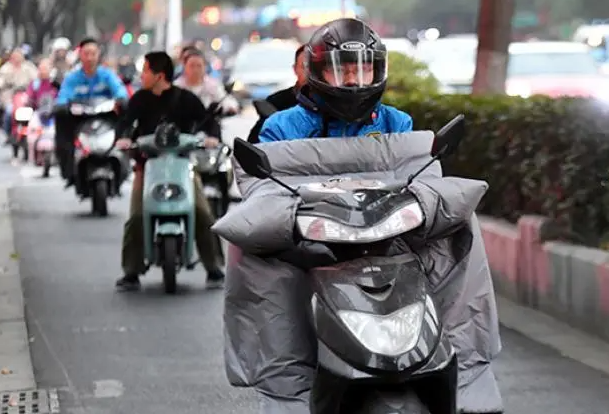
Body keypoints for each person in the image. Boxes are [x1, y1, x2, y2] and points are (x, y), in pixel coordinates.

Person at [113, 51, 225, 291]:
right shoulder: (139, 99)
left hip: (183, 165)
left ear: (159, 75)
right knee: (136, 216)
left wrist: (212, 138)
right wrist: (123, 138)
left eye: (145, 70)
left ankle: (214, 267)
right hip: (148, 165)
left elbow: (208, 121)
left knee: (202, 212)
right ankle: (131, 272)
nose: (141, 75)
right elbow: (125, 123)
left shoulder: (185, 99)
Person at [259, 19, 412, 143]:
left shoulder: (395, 123)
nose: (351, 80)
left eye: (363, 70)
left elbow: (414, 175)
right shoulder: (282, 128)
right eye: (338, 70)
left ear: (376, 72)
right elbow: (266, 180)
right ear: (317, 72)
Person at [54, 37, 128, 187]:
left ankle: (125, 157)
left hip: (106, 117)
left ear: (98, 54)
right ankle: (68, 167)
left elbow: (120, 91)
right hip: (79, 118)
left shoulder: (107, 75)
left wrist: (120, 99)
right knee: (61, 120)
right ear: (80, 55)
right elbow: (63, 96)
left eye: (93, 54)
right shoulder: (72, 78)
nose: (89, 58)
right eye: (86, 54)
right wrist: (62, 106)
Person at [247, 44, 306, 143]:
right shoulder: (275, 104)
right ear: (295, 69)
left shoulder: (332, 104)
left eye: (315, 67)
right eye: (304, 67)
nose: (310, 72)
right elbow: (254, 146)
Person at [174, 49, 239, 116]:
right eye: (192, 66)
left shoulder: (213, 85)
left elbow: (226, 101)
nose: (195, 70)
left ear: (204, 67)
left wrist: (230, 107)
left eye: (199, 66)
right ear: (184, 67)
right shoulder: (177, 87)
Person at [0, 48, 38, 142]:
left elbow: (36, 80)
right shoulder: (6, 69)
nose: (17, 58)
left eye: (19, 56)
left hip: (26, 96)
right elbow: (1, 81)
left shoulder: (29, 67)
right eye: (15, 56)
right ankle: (9, 134)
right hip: (10, 97)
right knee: (9, 112)